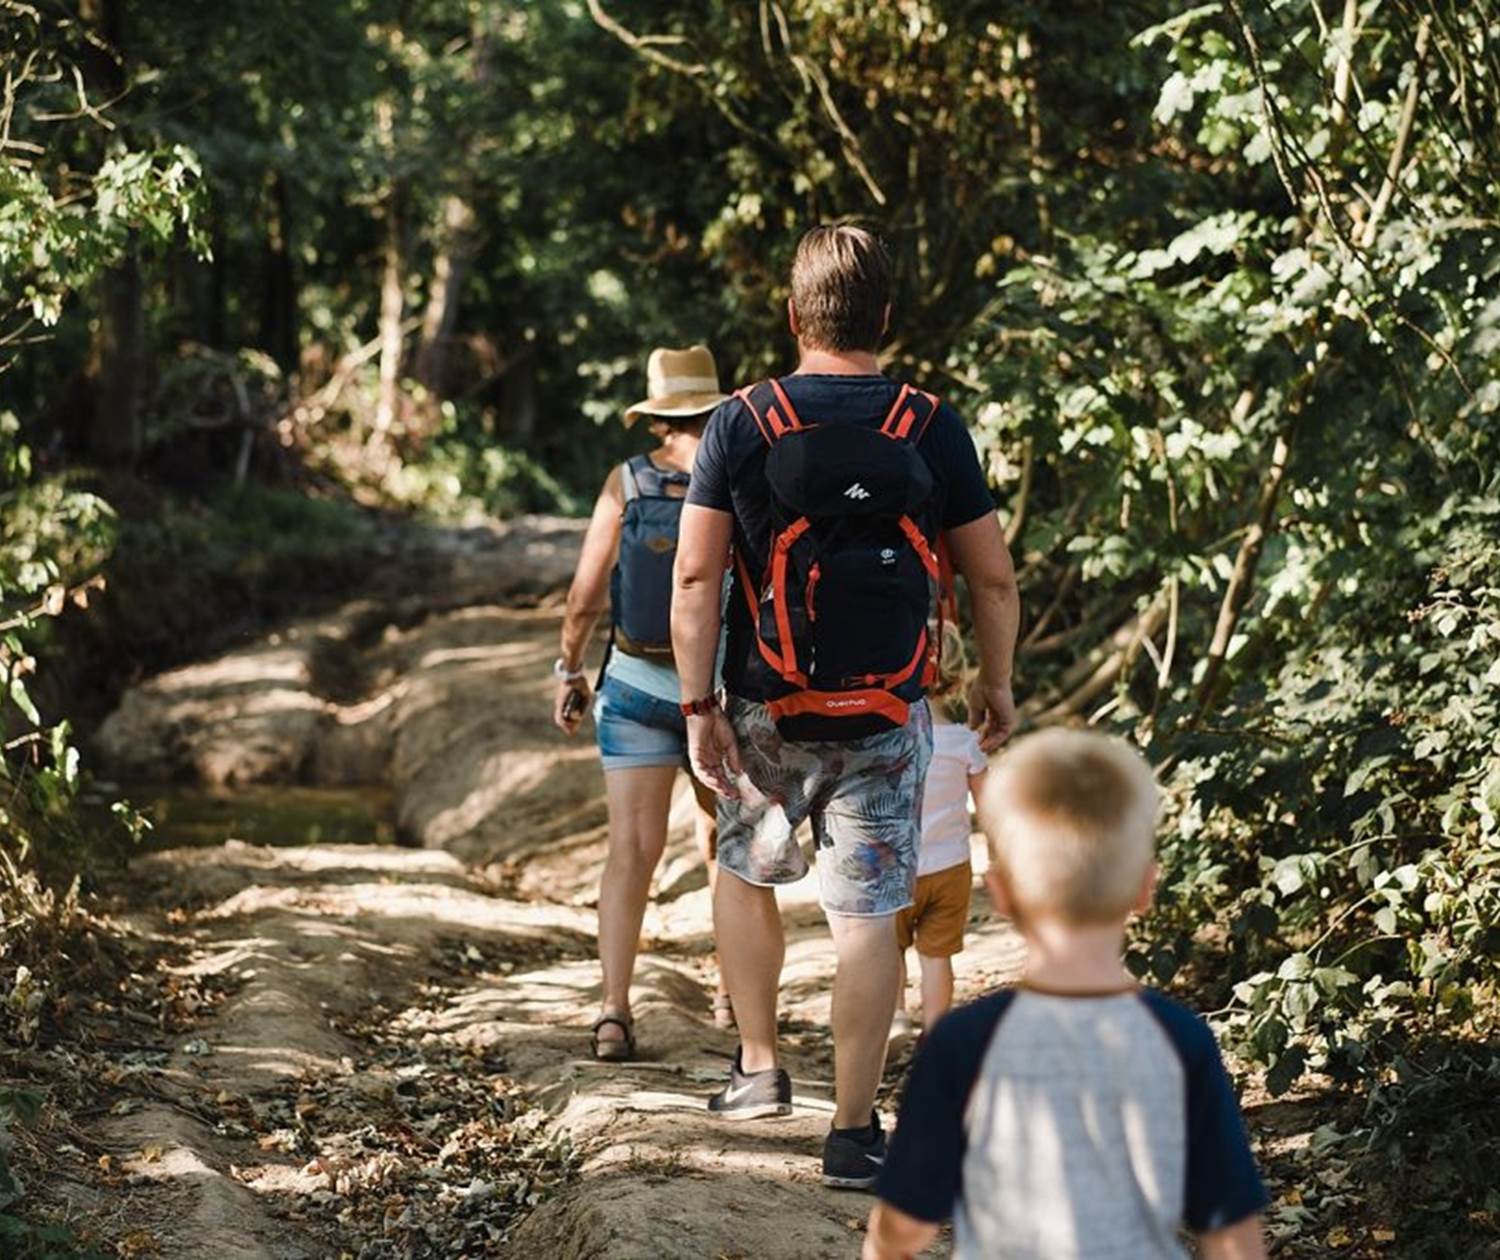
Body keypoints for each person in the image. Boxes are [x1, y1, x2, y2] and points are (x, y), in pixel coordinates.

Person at [671, 225, 1020, 1189]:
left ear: (793, 318)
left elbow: (697, 575)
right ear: (886, 320)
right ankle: (854, 1134)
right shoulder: (930, 425)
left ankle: (760, 1071)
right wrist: (995, 683)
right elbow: (990, 579)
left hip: (763, 707)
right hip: (888, 710)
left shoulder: (741, 422)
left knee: (744, 871)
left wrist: (699, 703)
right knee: (868, 914)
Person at [864, 729, 1270, 1260]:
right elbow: (1233, 1237)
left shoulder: (965, 1042)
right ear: (1145, 888)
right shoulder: (1181, 1039)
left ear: (1002, 891)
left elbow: (903, 1228)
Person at [554, 345, 734, 1061]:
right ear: (713, 406)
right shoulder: (738, 474)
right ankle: (730, 993)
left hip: (632, 686)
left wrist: (568, 668)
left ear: (657, 414)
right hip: (717, 695)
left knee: (630, 853)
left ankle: (612, 1013)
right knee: (725, 850)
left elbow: (584, 596)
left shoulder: (626, 480)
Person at [891, 624, 986, 1039]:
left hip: (893, 866)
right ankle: (934, 1036)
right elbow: (992, 811)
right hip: (950, 868)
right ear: (957, 677)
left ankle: (894, 1019)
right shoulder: (966, 743)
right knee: (937, 958)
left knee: (888, 951)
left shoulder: (887, 742)